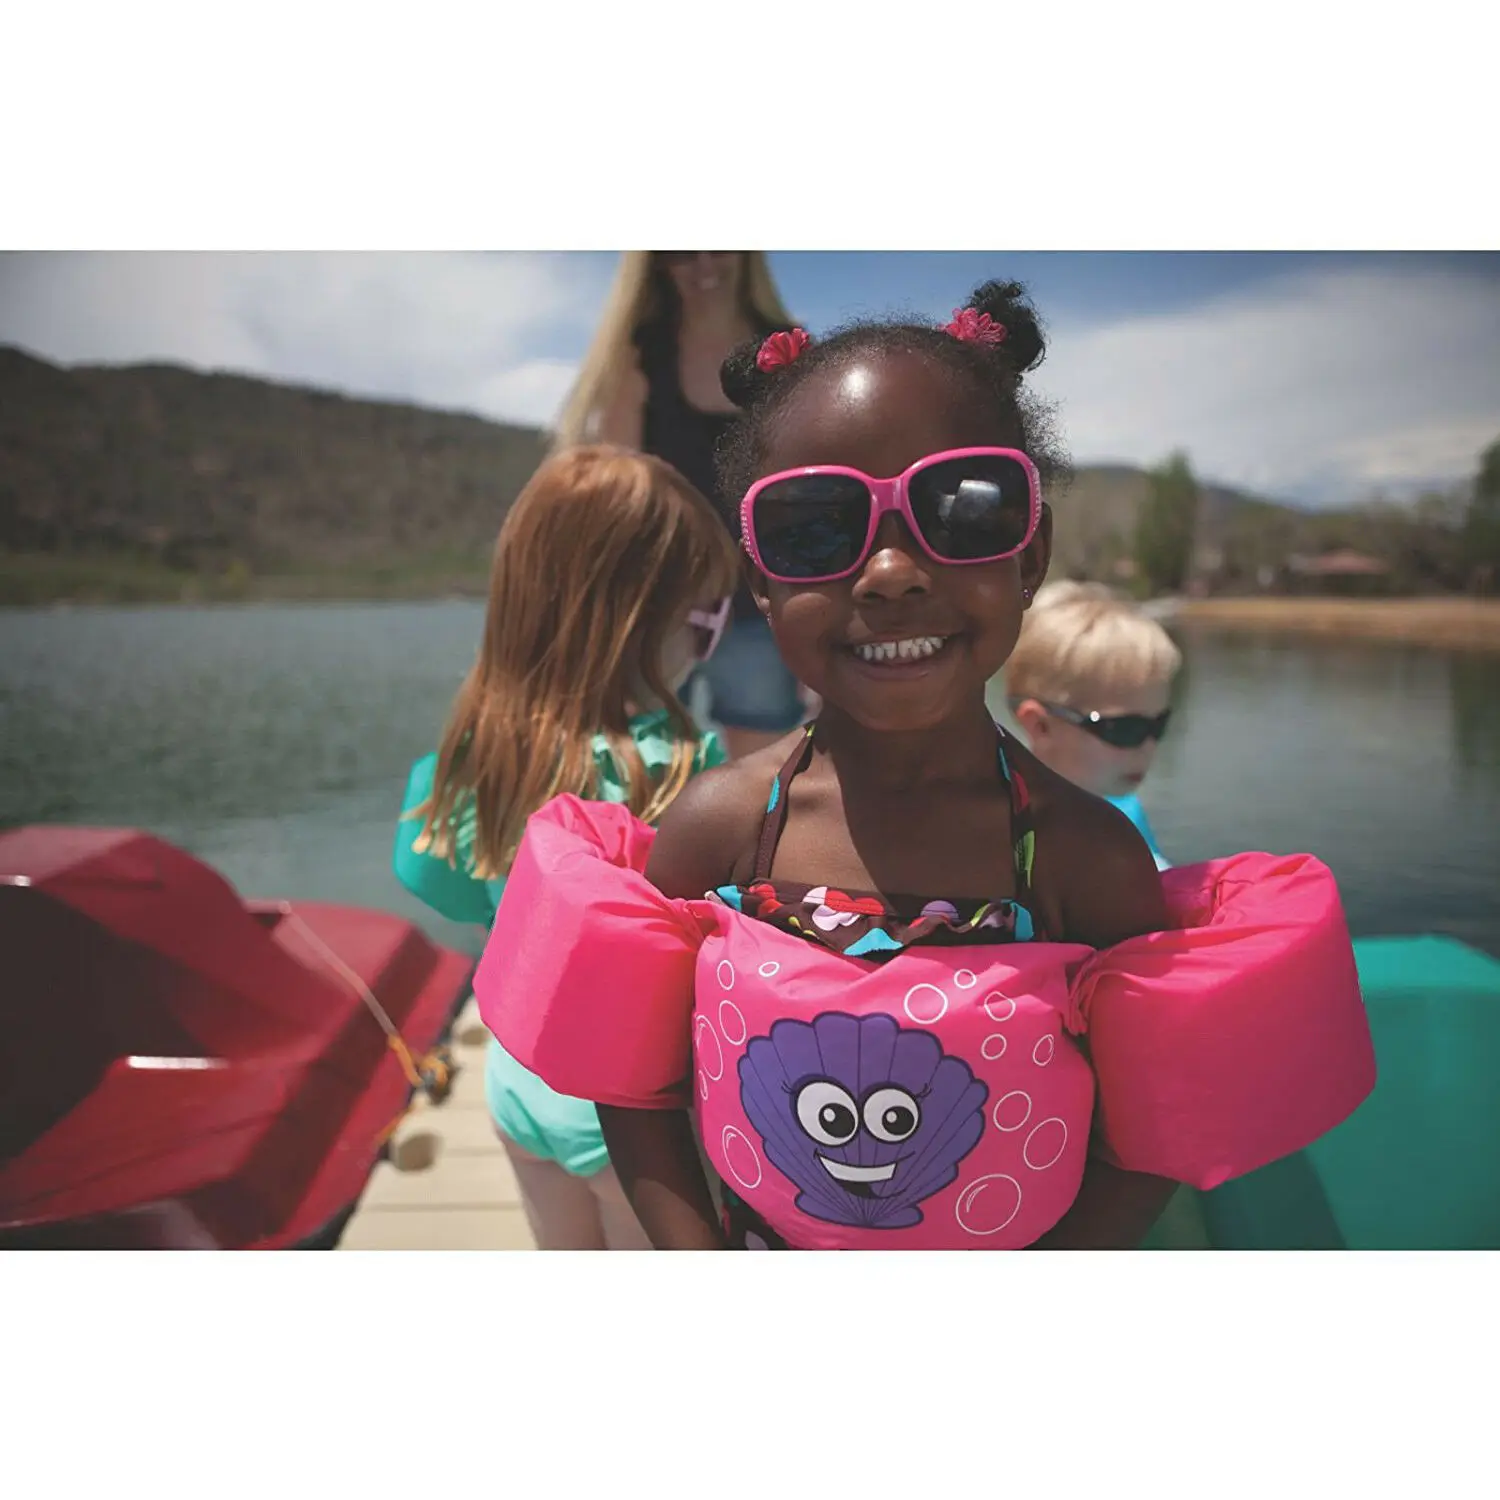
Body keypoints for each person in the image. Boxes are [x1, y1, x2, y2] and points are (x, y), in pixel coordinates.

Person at [476, 282, 1375, 1251]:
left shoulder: (1084, 859)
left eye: (963, 512)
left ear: (1030, 555)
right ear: (764, 579)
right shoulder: (719, 829)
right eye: (815, 528)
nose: (891, 572)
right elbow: (632, 1079)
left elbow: (1144, 1132)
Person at [392, 445, 738, 1249]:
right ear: (638, 623)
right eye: (706, 620)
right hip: (632, 1116)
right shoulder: (685, 769)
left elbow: (432, 878)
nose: (711, 642)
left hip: (517, 1084)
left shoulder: (477, 751)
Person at [553, 252, 809, 758]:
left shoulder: (787, 351)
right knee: (647, 772)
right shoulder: (638, 355)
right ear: (653, 264)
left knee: (765, 781)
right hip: (660, 609)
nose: (704, 264)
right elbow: (620, 494)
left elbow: (811, 491)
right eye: (681, 252)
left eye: (719, 246)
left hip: (762, 604)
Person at [1003, 580, 1181, 869]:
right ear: (1040, 726)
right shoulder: (998, 835)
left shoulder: (1125, 810)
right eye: (1125, 730)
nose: (1149, 748)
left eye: (1158, 724)